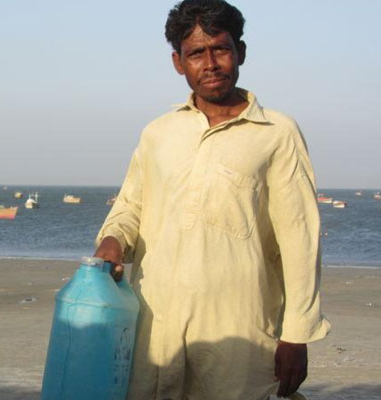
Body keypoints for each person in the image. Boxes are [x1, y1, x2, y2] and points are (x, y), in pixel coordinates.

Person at [94, 1, 330, 399]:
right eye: (196, 54)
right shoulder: (159, 133)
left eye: (220, 49)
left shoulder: (276, 132)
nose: (211, 63)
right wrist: (113, 241)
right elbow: (131, 207)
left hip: (239, 329)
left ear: (240, 52)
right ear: (178, 62)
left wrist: (296, 335)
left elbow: (300, 238)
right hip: (155, 325)